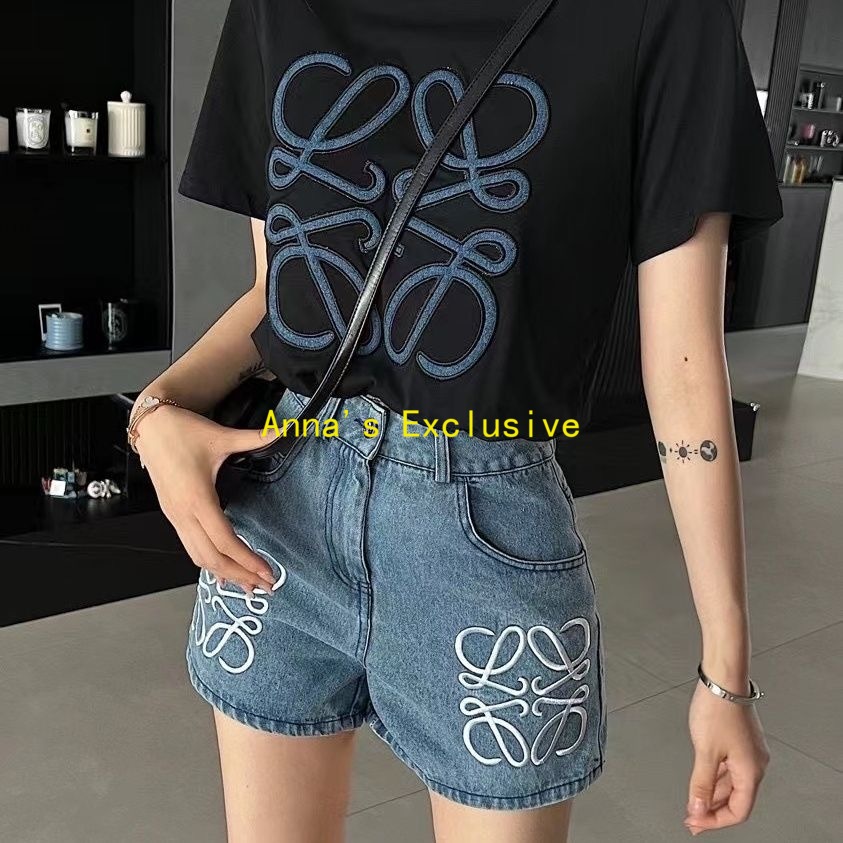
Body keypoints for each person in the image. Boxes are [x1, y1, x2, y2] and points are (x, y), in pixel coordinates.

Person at [130, 0, 783, 839]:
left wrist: (725, 666)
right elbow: (283, 294)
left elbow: (683, 366)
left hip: (485, 536)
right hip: (280, 511)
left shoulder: (661, 16)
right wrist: (155, 411)